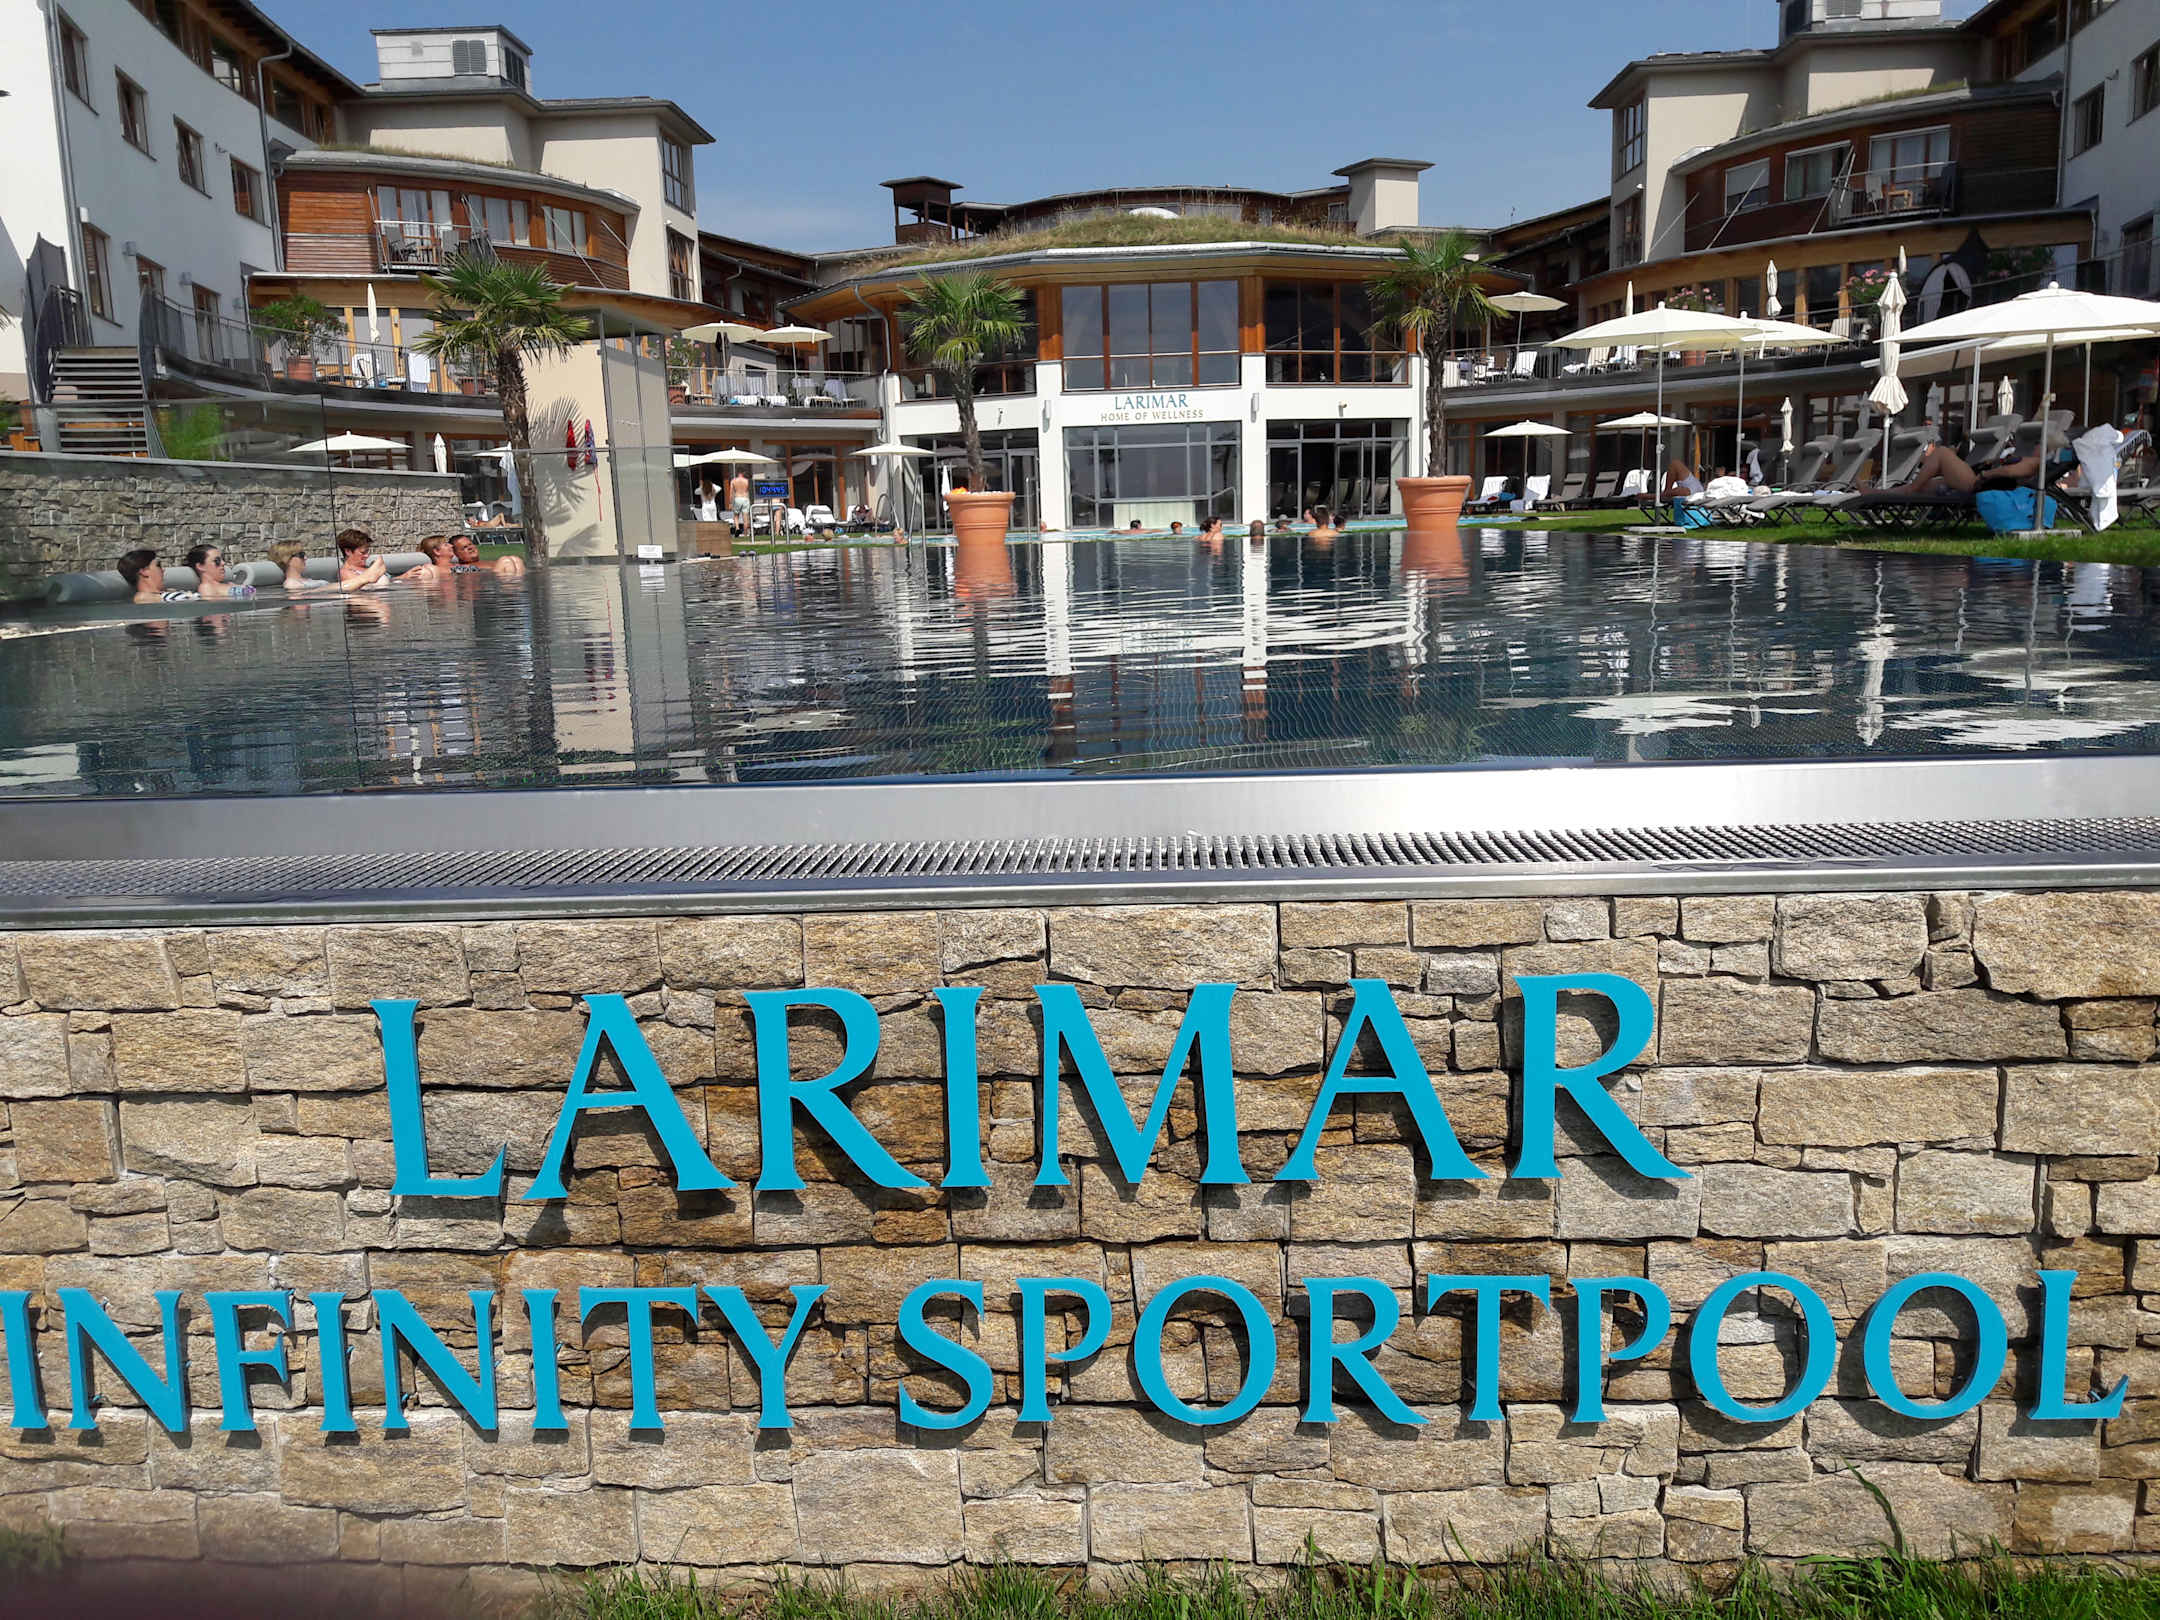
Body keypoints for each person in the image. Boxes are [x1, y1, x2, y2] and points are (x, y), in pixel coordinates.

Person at [1893, 440, 2044, 496]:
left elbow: (2009, 471)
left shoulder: (2035, 462)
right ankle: (1882, 493)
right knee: (1926, 485)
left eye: (2039, 443)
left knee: (1942, 452)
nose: (2036, 445)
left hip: (1979, 484)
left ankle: (1910, 489)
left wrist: (1985, 474)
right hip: (1978, 479)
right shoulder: (2032, 460)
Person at [270, 538, 383, 593]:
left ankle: (365, 579)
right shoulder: (291, 583)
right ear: (288, 560)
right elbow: (305, 597)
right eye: (301, 555)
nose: (306, 558)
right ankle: (365, 578)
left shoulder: (304, 580)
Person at [117, 548, 193, 603]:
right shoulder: (144, 598)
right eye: (158, 565)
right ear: (144, 571)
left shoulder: (164, 594)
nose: (163, 570)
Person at [183, 543, 255, 600]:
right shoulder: (206, 588)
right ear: (200, 567)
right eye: (217, 561)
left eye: (222, 559)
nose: (223, 563)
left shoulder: (228, 584)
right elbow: (213, 611)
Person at [451, 533, 525, 578]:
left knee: (516, 559)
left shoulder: (485, 562)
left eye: (470, 544)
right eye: (464, 547)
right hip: (493, 582)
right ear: (456, 554)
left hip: (507, 578)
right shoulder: (461, 567)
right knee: (505, 561)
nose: (470, 548)